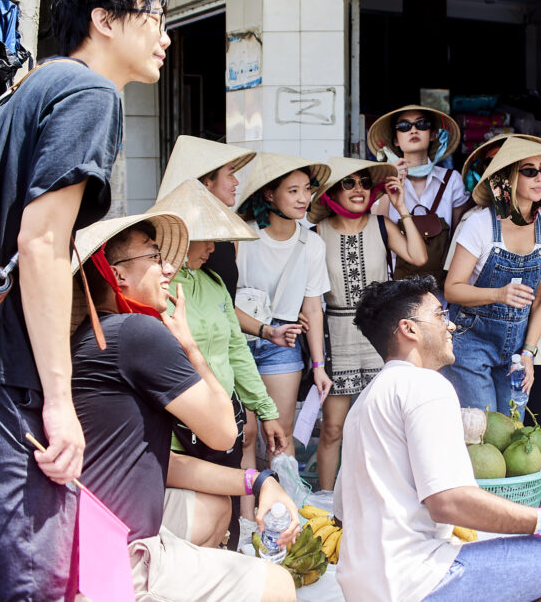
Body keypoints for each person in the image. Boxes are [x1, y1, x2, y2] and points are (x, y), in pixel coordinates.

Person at [0, 0, 170, 600]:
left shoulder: (34, 88)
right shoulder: (89, 94)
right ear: (104, 21)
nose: (166, 38)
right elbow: (42, 242)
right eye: (155, 19)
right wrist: (61, 402)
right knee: (29, 588)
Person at [334, 277, 541, 602]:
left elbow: (342, 514)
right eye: (440, 315)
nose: (450, 326)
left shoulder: (363, 405)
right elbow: (448, 501)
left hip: (365, 589)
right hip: (417, 582)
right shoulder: (425, 385)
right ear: (409, 329)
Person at [69, 212, 296, 601]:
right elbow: (224, 433)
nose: (169, 267)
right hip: (119, 558)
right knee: (276, 585)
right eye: (155, 257)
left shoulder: (93, 336)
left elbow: (161, 463)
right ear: (118, 274)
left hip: (85, 539)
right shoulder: (136, 333)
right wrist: (190, 346)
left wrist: (258, 481)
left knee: (213, 506)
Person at [156, 136, 302, 528]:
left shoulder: (213, 281)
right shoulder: (157, 286)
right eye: (229, 174)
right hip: (176, 432)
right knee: (192, 522)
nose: (237, 182)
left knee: (225, 520)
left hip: (223, 423)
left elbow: (236, 349)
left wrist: (265, 410)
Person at [307, 156, 428, 491]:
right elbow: (310, 296)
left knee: (383, 425)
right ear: (332, 192)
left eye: (363, 182)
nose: (358, 189)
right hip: (336, 335)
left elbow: (418, 258)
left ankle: (384, 495)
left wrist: (402, 208)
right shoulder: (317, 233)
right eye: (349, 183)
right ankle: (328, 502)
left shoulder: (380, 225)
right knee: (333, 428)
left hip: (380, 335)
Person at [442, 136, 541, 414]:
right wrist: (498, 294)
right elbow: (452, 289)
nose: (540, 177)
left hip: (516, 349)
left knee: (511, 430)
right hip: (471, 343)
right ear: (507, 179)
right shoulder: (479, 224)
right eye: (529, 171)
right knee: (482, 433)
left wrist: (529, 352)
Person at [235, 153, 333, 453]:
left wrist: (318, 366)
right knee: (245, 434)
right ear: (269, 194)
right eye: (293, 191)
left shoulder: (312, 244)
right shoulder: (243, 236)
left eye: (307, 189)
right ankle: (251, 500)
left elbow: (313, 309)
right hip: (237, 337)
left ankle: (287, 500)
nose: (304, 198)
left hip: (284, 341)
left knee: (281, 434)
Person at [369, 105, 468, 283]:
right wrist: (387, 187)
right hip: (394, 285)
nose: (413, 130)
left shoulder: (452, 179)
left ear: (432, 135)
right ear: (396, 140)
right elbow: (377, 232)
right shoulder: (383, 181)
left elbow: (459, 236)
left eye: (422, 124)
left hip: (441, 287)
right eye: (404, 126)